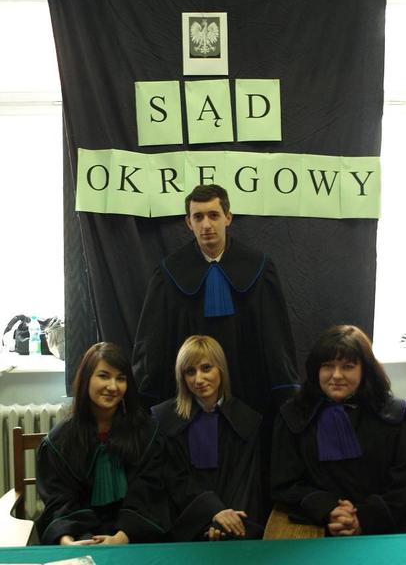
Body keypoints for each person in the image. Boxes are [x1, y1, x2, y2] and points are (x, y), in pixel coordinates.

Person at [132, 183, 299, 415]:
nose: (206, 225)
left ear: (228, 218)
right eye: (198, 217)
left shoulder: (259, 268)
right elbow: (153, 344)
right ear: (188, 222)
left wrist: (285, 392)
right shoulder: (168, 273)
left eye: (213, 215)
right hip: (189, 395)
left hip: (249, 392)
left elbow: (276, 340)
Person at [271, 324, 406, 536]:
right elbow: (285, 484)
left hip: (393, 526)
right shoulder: (293, 417)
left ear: (365, 370)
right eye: (328, 366)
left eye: (348, 367)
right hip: (319, 525)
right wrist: (328, 510)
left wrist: (364, 520)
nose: (336, 375)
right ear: (316, 370)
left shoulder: (400, 419)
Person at [36, 342, 169, 545]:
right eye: (104, 376)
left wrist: (122, 538)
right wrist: (67, 541)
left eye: (121, 378)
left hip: (134, 537)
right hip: (80, 536)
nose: (113, 387)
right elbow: (58, 501)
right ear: (86, 379)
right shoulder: (59, 442)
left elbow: (149, 494)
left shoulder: (146, 434)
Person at [152, 335, 264, 541]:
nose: (198, 379)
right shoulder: (165, 420)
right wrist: (211, 513)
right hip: (187, 526)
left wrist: (228, 521)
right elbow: (173, 479)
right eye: (190, 371)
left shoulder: (247, 421)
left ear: (220, 369)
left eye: (206, 368)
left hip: (236, 526)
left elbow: (246, 482)